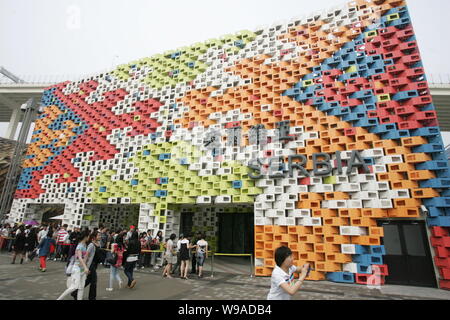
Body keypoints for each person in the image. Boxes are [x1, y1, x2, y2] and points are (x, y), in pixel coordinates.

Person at [57, 231, 90, 300]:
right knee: (74, 287)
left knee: (81, 287)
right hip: (77, 268)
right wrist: (85, 267)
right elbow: (80, 258)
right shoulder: (79, 246)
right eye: (88, 236)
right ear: (85, 237)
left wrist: (85, 268)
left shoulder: (84, 245)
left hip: (82, 269)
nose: (89, 237)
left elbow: (84, 259)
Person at [71, 231, 104, 300]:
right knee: (94, 281)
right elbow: (86, 255)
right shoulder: (91, 245)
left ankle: (75, 292)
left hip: (95, 264)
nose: (100, 236)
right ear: (94, 237)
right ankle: (92, 297)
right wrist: (84, 266)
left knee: (88, 280)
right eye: (98, 235)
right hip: (90, 265)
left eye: (100, 235)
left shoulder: (99, 244)